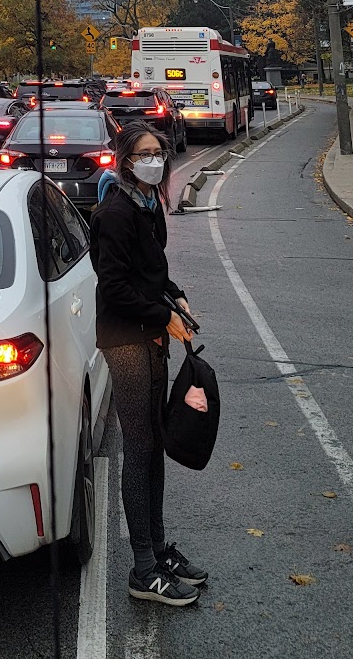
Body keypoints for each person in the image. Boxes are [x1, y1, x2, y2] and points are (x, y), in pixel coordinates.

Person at [87, 128, 207, 608]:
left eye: (159, 154)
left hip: (151, 338)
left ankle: (158, 551)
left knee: (153, 445)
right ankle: (143, 569)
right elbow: (114, 287)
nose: (154, 161)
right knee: (139, 451)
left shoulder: (149, 205)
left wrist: (174, 294)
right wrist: (164, 316)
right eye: (144, 155)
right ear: (125, 160)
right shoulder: (113, 214)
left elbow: (150, 270)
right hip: (127, 341)